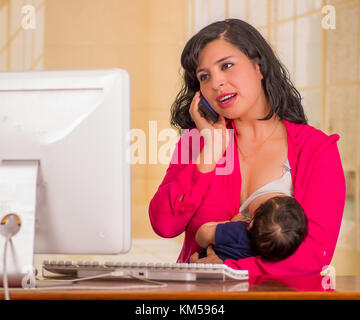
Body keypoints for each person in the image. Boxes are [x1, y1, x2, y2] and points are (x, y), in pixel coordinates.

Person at [149, 19, 346, 276]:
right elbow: (164, 224)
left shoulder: (317, 149)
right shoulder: (197, 142)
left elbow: (315, 254)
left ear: (259, 66)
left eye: (227, 66)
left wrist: (233, 269)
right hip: (199, 299)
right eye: (204, 76)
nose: (216, 83)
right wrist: (210, 153)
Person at [196, 195, 308, 262]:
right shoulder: (272, 254)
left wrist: (229, 223)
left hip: (198, 272)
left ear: (252, 223)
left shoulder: (239, 230)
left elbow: (201, 236)